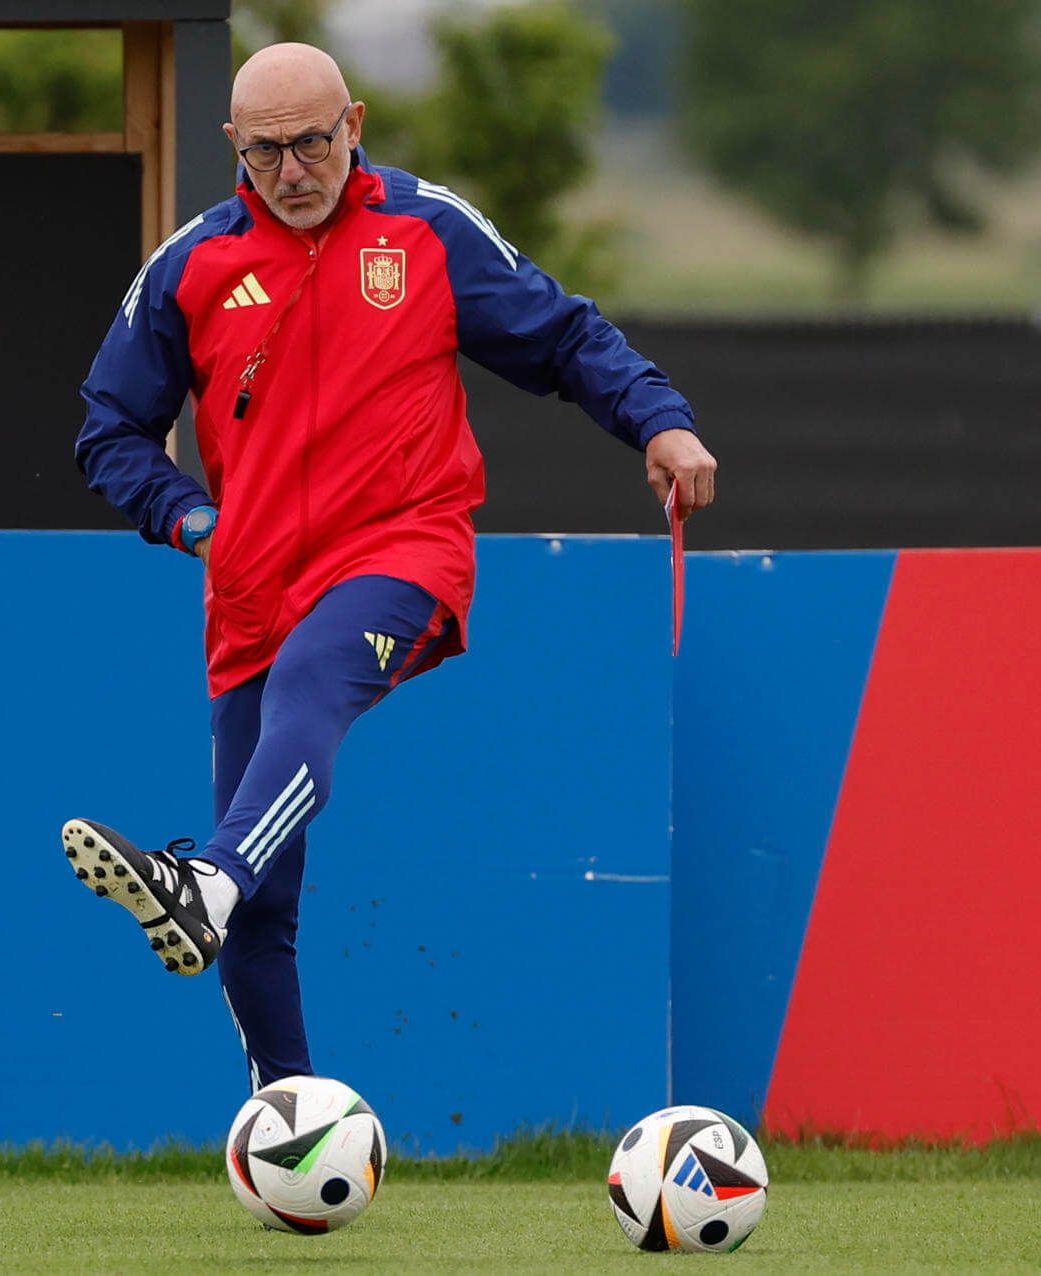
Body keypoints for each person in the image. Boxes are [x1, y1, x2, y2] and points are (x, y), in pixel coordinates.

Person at [62, 43, 717, 1090]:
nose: (292, 170)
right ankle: (289, 1121)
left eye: (312, 142)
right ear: (233, 145)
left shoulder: (427, 229)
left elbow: (563, 337)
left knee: (311, 687)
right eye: (265, 150)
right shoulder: (192, 265)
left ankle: (205, 881)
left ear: (354, 124)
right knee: (263, 909)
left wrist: (661, 421)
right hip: (249, 588)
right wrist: (190, 520)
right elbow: (108, 429)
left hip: (402, 548)